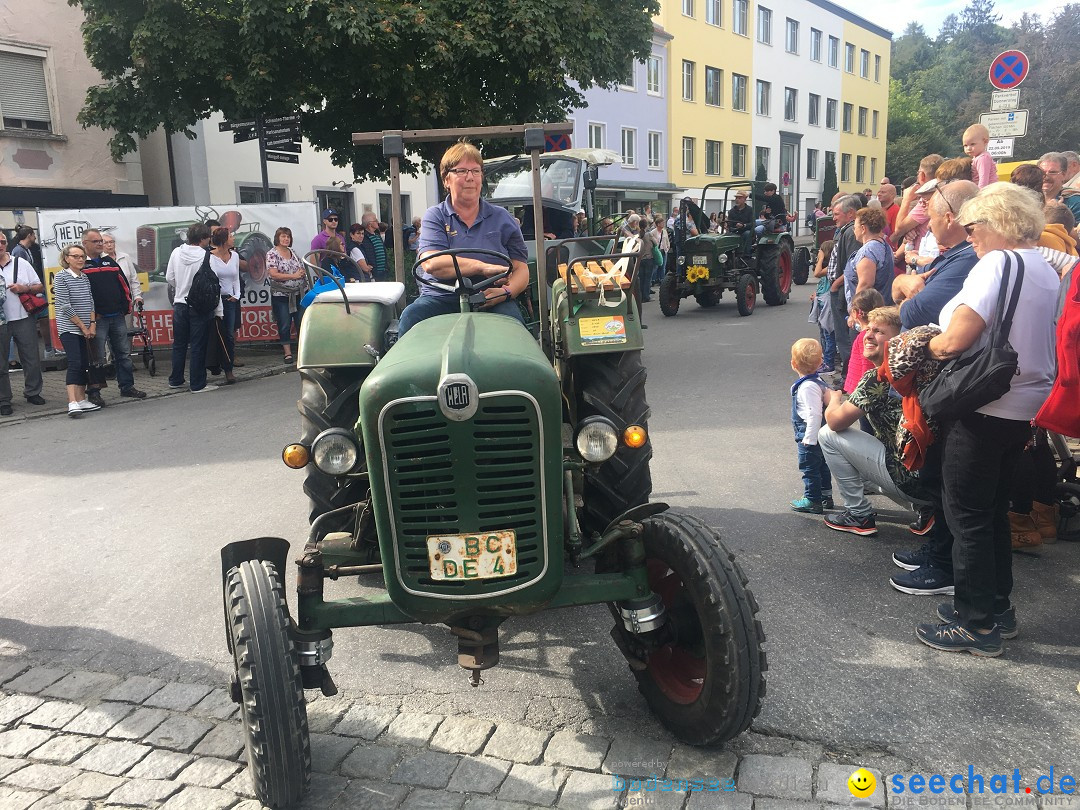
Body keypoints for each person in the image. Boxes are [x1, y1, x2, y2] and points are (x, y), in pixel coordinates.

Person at [915, 182, 1060, 657]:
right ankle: (997, 608)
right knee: (992, 510)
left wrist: (925, 342)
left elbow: (957, 339)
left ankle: (976, 624)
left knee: (968, 517)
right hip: (1024, 404)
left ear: (999, 222)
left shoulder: (996, 264)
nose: (969, 234)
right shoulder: (1044, 268)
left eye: (974, 226)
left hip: (982, 403)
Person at [397, 142, 529, 339]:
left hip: (491, 297)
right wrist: (482, 267)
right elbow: (433, 263)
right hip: (440, 298)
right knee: (412, 316)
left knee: (516, 330)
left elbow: (521, 268)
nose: (470, 177)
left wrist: (507, 292)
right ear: (446, 180)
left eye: (476, 171)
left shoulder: (502, 218)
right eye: (461, 171)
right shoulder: (436, 216)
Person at [818, 306, 931, 537]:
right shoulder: (919, 369)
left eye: (879, 331)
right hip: (935, 479)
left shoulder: (879, 377)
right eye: (867, 329)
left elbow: (835, 422)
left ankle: (858, 515)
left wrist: (833, 399)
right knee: (866, 458)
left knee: (827, 436)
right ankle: (929, 510)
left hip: (912, 480)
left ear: (899, 340)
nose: (868, 335)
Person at [82, 229, 145, 405]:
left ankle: (127, 387)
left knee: (123, 354)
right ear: (85, 243)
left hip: (116, 316)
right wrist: (93, 315)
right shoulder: (82, 265)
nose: (100, 244)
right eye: (95, 241)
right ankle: (94, 392)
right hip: (98, 319)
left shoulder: (109, 261)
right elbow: (81, 294)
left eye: (100, 241)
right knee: (98, 357)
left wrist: (125, 308)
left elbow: (124, 285)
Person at [166, 222, 219, 393]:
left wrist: (182, 287)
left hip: (180, 303)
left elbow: (169, 278)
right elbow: (215, 282)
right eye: (208, 237)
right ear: (203, 238)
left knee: (179, 344)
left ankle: (175, 379)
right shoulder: (208, 256)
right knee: (198, 345)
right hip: (199, 306)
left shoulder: (176, 252)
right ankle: (197, 383)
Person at [52, 244, 101, 417]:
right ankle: (72, 402)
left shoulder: (84, 277)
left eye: (82, 256)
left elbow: (91, 302)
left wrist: (92, 324)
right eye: (76, 256)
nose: (80, 260)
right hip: (69, 328)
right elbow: (65, 306)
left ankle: (81, 400)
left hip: (86, 327)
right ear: (66, 258)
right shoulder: (61, 277)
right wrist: (82, 326)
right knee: (74, 363)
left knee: (84, 364)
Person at [0, 231, 46, 416]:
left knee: (31, 358)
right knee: (1, 363)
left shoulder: (21, 263)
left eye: (2, 241)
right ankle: (4, 399)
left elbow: (39, 286)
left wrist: (23, 288)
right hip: (1, 322)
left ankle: (33, 392)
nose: (0, 245)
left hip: (23, 317)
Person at [789, 338, 834, 514]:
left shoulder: (808, 387)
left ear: (793, 363)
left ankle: (812, 499)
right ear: (820, 362)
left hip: (809, 434)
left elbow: (814, 414)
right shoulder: (816, 381)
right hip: (817, 433)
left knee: (809, 467)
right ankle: (825, 495)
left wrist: (809, 437)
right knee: (822, 465)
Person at [11, 226, 59, 359]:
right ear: (29, 235)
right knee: (36, 320)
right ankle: (44, 350)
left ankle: (48, 349)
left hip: (33, 290)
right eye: (33, 234)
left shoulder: (26, 250)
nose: (35, 237)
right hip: (28, 292)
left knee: (43, 318)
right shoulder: (19, 251)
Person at [826, 195, 861, 376]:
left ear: (850, 214)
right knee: (842, 336)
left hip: (841, 291)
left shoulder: (850, 234)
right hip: (839, 289)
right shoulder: (845, 231)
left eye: (837, 214)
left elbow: (853, 266)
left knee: (844, 337)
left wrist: (835, 285)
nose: (833, 218)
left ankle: (849, 376)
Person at [266, 227, 307, 363]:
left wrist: (301, 273)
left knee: (301, 322)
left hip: (298, 294)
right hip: (281, 295)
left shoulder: (293, 252)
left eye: (288, 237)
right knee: (284, 323)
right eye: (283, 236)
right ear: (277, 238)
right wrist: (293, 276)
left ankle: (303, 351)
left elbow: (300, 268)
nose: (286, 239)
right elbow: (273, 274)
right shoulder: (272, 254)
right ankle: (287, 353)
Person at [844, 207, 894, 311]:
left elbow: (865, 285)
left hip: (868, 313)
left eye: (855, 227)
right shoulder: (884, 245)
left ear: (863, 229)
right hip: (881, 308)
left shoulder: (868, 251)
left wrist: (855, 311)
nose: (854, 230)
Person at [209, 227, 240, 385]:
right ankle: (215, 365)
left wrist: (237, 295)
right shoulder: (210, 257)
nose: (233, 238)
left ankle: (229, 369)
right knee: (216, 335)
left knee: (229, 334)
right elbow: (213, 281)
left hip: (230, 300)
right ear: (223, 240)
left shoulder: (234, 255)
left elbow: (236, 278)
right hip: (216, 300)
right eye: (230, 236)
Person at [842, 288, 885, 395]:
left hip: (860, 390)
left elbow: (867, 366)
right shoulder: (878, 334)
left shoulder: (864, 337)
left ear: (856, 313)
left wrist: (863, 391)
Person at [810, 239, 836, 373]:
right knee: (823, 333)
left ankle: (829, 363)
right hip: (821, 302)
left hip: (827, 305)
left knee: (828, 334)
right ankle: (826, 359)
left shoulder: (830, 266)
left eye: (821, 251)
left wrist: (820, 259)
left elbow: (817, 273)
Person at [963, 124, 998, 188]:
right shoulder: (977, 157)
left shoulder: (983, 158)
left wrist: (979, 194)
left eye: (972, 144)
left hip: (988, 190)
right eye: (965, 145)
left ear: (985, 142)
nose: (968, 148)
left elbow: (983, 179)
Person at [358, 212, 389, 281]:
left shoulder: (377, 235)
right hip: (373, 273)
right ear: (370, 224)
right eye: (375, 220)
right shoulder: (364, 238)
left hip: (383, 272)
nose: (378, 222)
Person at [727, 190, 755, 255]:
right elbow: (729, 224)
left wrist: (743, 225)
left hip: (745, 231)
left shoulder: (750, 210)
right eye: (736, 198)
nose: (737, 200)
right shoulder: (732, 211)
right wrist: (730, 226)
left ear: (745, 199)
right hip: (734, 231)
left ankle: (746, 255)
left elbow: (752, 223)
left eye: (739, 198)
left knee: (747, 234)